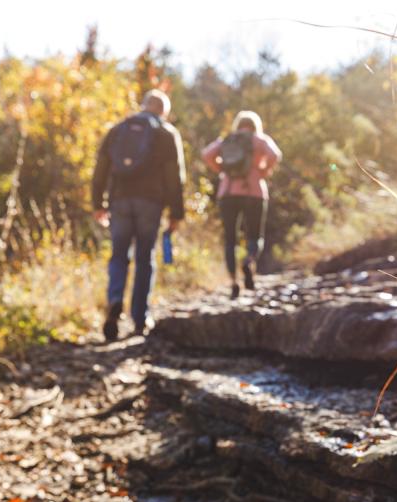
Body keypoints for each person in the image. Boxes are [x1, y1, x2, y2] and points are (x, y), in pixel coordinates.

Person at [92, 89, 185, 341]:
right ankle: (140, 317)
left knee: (119, 256)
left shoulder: (117, 130)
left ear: (143, 106)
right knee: (145, 258)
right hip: (150, 203)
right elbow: (175, 176)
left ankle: (114, 303)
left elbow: (100, 168)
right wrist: (176, 212)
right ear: (163, 111)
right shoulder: (165, 133)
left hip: (119, 201)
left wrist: (97, 203)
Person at [201, 110, 282, 299]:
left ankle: (233, 282)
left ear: (238, 125)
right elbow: (275, 155)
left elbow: (206, 154)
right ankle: (249, 260)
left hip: (228, 192)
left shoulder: (227, 139)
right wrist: (263, 170)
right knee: (255, 235)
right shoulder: (259, 140)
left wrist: (221, 169)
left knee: (230, 239)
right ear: (256, 126)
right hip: (254, 191)